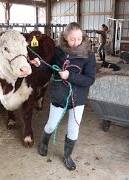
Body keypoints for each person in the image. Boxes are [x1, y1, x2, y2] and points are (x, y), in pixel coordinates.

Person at [30, 22, 96, 171]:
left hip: (78, 98)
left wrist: (69, 76)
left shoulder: (88, 55)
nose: (76, 42)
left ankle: (67, 156)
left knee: (74, 130)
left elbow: (90, 79)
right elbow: (50, 67)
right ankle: (44, 143)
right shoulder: (58, 51)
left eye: (79, 38)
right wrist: (39, 64)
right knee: (51, 124)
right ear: (65, 37)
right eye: (72, 39)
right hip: (59, 95)